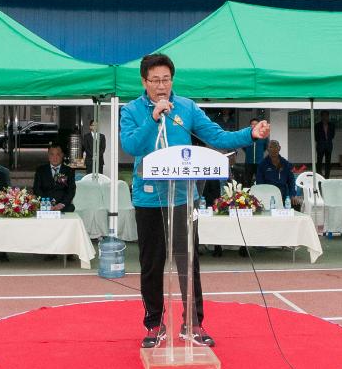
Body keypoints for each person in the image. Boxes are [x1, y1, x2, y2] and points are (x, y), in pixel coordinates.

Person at [121, 53, 266, 350]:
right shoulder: (133, 110)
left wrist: (250, 133)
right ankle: (154, 324)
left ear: (172, 79)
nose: (161, 86)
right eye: (155, 80)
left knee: (189, 264)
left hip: (183, 198)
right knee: (151, 264)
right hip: (149, 200)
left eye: (166, 79)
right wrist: (153, 117)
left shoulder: (186, 107)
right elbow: (131, 145)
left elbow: (218, 137)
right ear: (144, 82)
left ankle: (193, 324)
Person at [256, 140, 302, 210]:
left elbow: (291, 181)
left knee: (296, 203)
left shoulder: (286, 164)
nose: (273, 149)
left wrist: (292, 195)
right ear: (267, 149)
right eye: (271, 147)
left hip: (283, 195)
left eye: (275, 147)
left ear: (279, 148)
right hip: (268, 195)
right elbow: (259, 183)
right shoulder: (262, 164)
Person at [32, 143, 76, 212]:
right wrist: (47, 203)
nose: (55, 158)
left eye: (58, 154)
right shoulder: (40, 170)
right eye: (52, 154)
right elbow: (37, 189)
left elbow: (71, 190)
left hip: (62, 206)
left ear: (62, 155)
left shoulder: (69, 171)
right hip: (44, 205)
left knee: (70, 208)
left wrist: (61, 204)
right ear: (48, 156)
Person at [241, 118, 267, 186]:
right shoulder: (247, 136)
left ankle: (259, 195)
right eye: (253, 124)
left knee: (260, 180)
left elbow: (265, 147)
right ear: (250, 125)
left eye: (256, 124)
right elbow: (243, 146)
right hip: (249, 162)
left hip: (259, 162)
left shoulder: (263, 136)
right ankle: (246, 195)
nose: (254, 125)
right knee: (247, 180)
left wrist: (259, 152)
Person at [314, 111, 334, 178]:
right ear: (321, 116)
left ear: (328, 116)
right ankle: (319, 176)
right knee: (319, 161)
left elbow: (333, 135)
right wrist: (321, 141)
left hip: (329, 145)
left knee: (328, 162)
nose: (325, 117)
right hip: (320, 145)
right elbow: (316, 136)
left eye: (326, 116)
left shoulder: (331, 125)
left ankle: (327, 177)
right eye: (324, 116)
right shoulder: (317, 125)